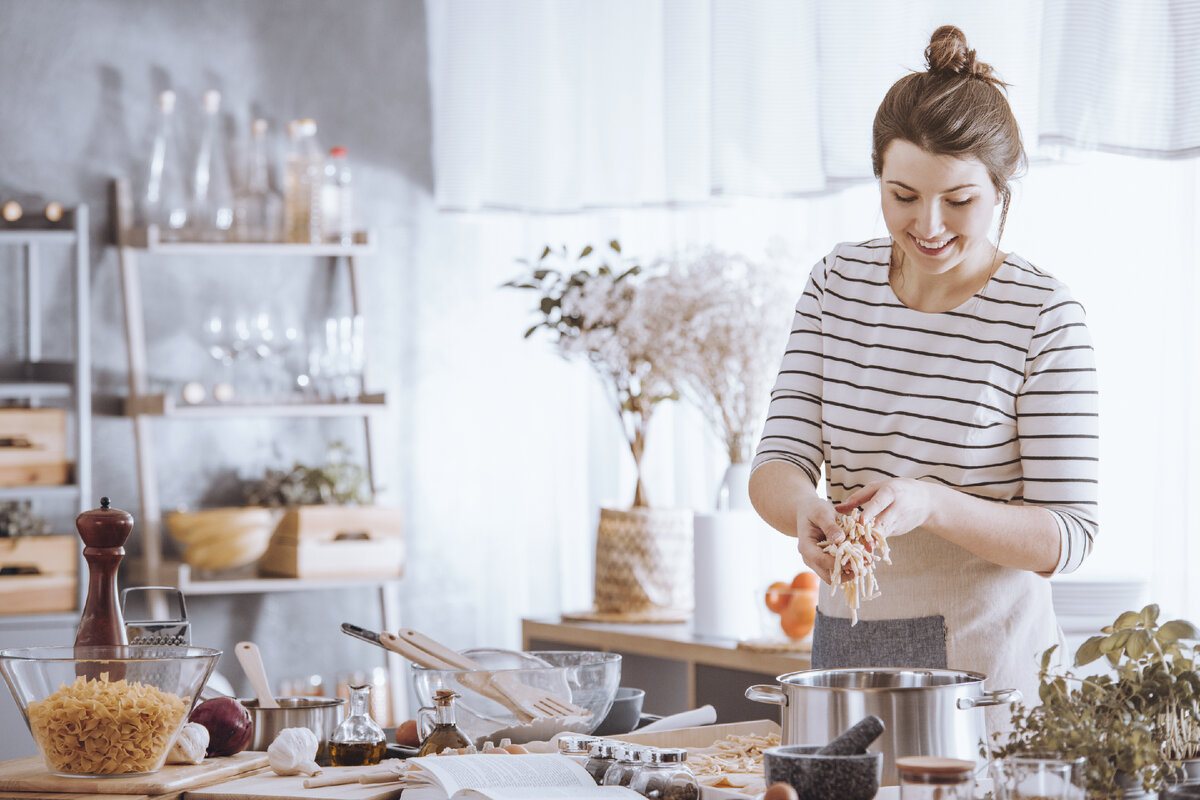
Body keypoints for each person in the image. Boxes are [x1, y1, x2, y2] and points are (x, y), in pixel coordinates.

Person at [748, 25, 1099, 721]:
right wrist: (804, 511)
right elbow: (776, 464)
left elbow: (1068, 536)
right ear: (878, 175)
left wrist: (931, 503)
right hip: (851, 659)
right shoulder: (836, 284)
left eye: (959, 200)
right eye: (902, 195)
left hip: (990, 680)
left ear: (1001, 188)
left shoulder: (1043, 315)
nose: (928, 224)